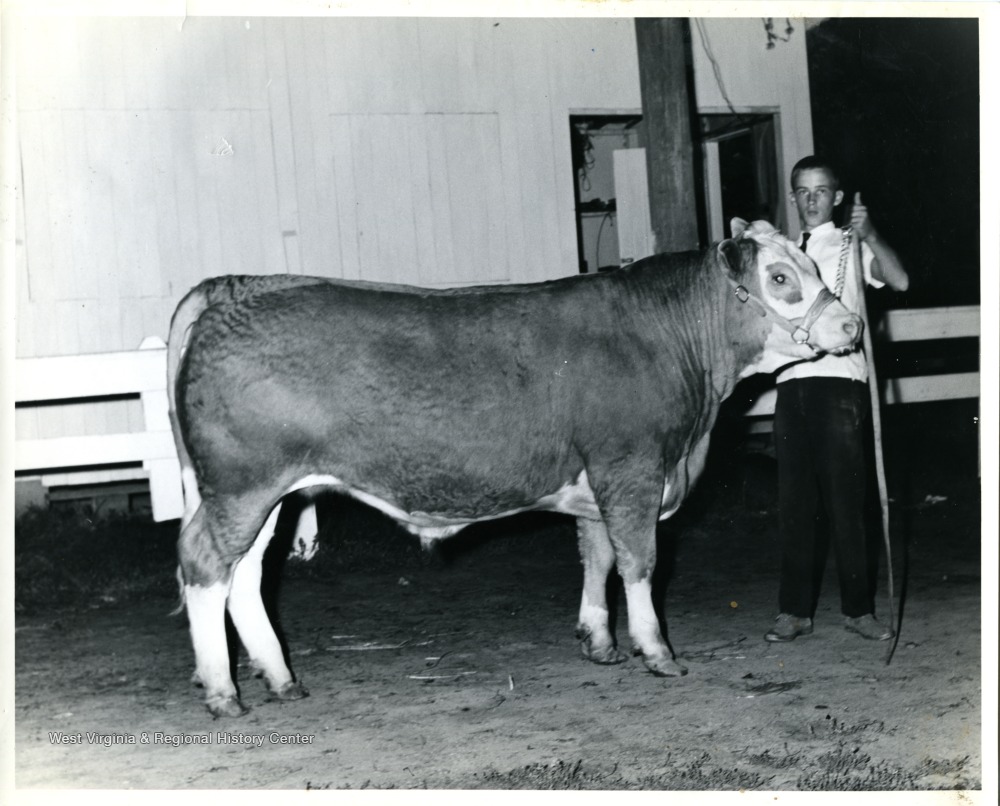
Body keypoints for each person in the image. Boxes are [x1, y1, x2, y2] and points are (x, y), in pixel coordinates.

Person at [765, 155, 909, 643]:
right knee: (795, 504)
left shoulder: (849, 243)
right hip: (789, 385)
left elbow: (900, 280)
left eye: (821, 191)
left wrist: (869, 235)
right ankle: (793, 612)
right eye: (802, 191)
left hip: (839, 384)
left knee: (847, 501)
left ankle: (859, 611)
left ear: (837, 197)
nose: (811, 200)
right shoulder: (780, 253)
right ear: (792, 197)